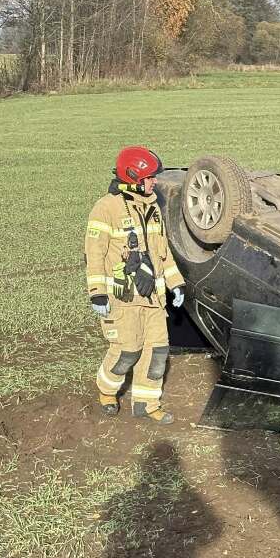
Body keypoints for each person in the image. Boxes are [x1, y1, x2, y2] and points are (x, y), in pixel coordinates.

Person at [85, 146, 185, 424]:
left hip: (153, 298)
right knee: (128, 350)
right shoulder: (106, 208)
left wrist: (176, 284)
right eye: (150, 177)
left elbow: (161, 252)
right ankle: (107, 391)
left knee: (157, 351)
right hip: (123, 298)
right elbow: (94, 254)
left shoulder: (152, 205)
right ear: (132, 177)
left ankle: (146, 403)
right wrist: (97, 294)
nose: (155, 182)